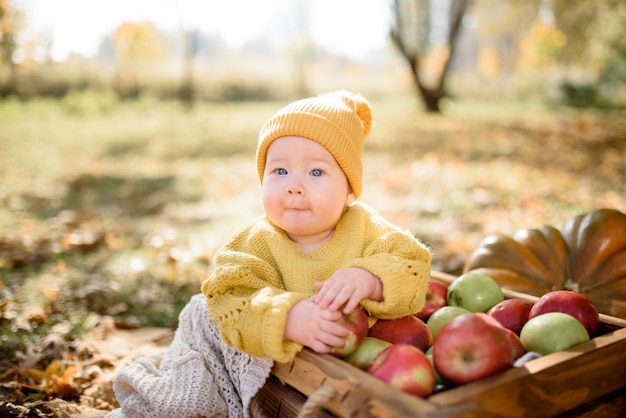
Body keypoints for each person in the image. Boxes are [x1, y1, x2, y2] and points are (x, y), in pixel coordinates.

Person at [108, 90, 431, 418]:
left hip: (346, 383)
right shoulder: (255, 242)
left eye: (316, 172)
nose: (294, 186)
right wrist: (287, 319)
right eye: (279, 171)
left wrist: (371, 278)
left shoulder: (366, 228)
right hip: (278, 380)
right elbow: (229, 297)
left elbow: (413, 263)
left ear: (349, 190)